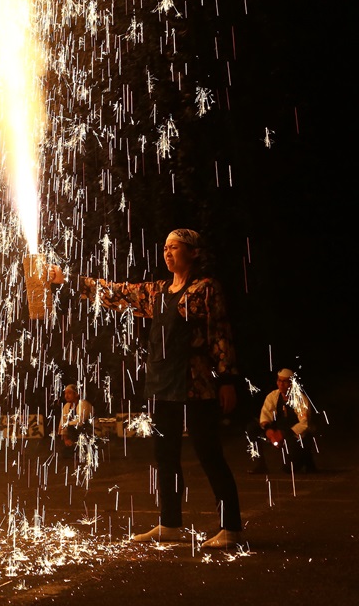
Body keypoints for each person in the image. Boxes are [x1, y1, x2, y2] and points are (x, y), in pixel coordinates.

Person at [75, 228, 243, 549]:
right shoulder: (158, 291)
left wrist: (227, 381)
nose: (167, 252)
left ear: (193, 252)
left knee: (209, 453)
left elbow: (220, 334)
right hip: (163, 382)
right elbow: (118, 293)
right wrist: (70, 282)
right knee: (165, 456)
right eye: (165, 247)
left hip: (196, 383)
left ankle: (231, 527)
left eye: (175, 247)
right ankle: (169, 524)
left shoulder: (205, 289)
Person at [246, 368, 315, 474]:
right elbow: (265, 415)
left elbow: (304, 423)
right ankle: (260, 464)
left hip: (294, 435)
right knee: (252, 428)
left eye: (285, 381)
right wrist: (268, 430)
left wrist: (283, 433)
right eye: (279, 380)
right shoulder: (273, 396)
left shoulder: (300, 399)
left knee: (289, 469)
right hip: (277, 430)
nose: (281, 384)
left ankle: (305, 458)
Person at [59, 384, 95, 457]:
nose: (66, 396)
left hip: (91, 431)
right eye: (65, 393)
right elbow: (62, 422)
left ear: (76, 394)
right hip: (77, 432)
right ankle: (74, 447)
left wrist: (67, 424)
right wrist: (66, 439)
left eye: (69, 393)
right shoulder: (67, 406)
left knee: (73, 426)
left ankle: (85, 448)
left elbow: (80, 422)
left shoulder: (83, 404)